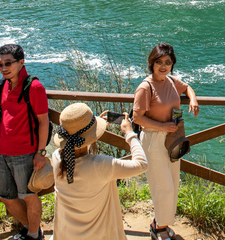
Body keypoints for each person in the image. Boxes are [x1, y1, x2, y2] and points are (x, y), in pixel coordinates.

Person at [28, 104, 148, 240]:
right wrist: (130, 134)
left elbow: (77, 148)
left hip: (67, 235)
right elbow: (142, 164)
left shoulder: (57, 158)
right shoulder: (102, 165)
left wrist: (90, 127)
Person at [132, 43, 199, 240]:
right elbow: (137, 118)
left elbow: (187, 87)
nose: (163, 66)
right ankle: (160, 230)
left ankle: (158, 223)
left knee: (173, 184)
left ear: (172, 64)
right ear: (151, 64)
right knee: (163, 187)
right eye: (159, 62)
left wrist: (193, 99)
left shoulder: (171, 82)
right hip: (153, 140)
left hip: (172, 138)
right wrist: (162, 127)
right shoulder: (146, 87)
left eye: (168, 63)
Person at [0, 44, 50, 240]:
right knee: (4, 196)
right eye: (0, 64)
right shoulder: (2, 85)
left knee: (27, 195)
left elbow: (44, 121)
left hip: (25, 152)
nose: (4, 68)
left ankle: (33, 236)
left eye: (8, 63)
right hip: (3, 152)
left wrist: (41, 153)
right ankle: (32, 229)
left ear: (21, 62)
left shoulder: (34, 87)